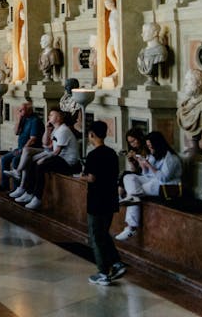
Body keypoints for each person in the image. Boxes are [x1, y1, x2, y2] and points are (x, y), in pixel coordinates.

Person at [116, 130, 182, 241]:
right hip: (151, 180)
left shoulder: (171, 158)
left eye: (151, 146)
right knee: (128, 177)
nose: (150, 149)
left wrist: (149, 165)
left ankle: (131, 226)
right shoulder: (154, 154)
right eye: (148, 146)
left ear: (158, 145)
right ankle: (133, 198)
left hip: (165, 186)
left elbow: (163, 178)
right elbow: (146, 174)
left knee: (134, 192)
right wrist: (144, 166)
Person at [84, 121, 127, 285]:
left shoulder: (93, 155)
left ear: (92, 135)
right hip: (110, 198)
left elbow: (92, 177)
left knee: (96, 236)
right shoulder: (112, 153)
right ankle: (116, 263)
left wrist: (81, 177)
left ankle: (103, 273)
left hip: (97, 199)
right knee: (103, 233)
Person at [14, 109, 80, 210]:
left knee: (40, 166)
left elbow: (57, 151)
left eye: (51, 115)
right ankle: (29, 192)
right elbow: (46, 145)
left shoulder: (64, 130)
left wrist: (43, 159)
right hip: (59, 158)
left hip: (67, 162)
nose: (49, 117)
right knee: (32, 161)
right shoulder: (56, 129)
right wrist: (47, 129)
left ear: (58, 118)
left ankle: (37, 197)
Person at [0, 101, 43, 191]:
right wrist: (19, 119)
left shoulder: (35, 121)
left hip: (29, 150)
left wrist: (23, 149)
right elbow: (16, 132)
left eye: (22, 110)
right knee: (4, 159)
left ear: (29, 111)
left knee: (15, 160)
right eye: (20, 109)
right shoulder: (24, 119)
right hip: (19, 148)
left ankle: (16, 189)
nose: (19, 111)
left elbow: (32, 139)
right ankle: (4, 185)